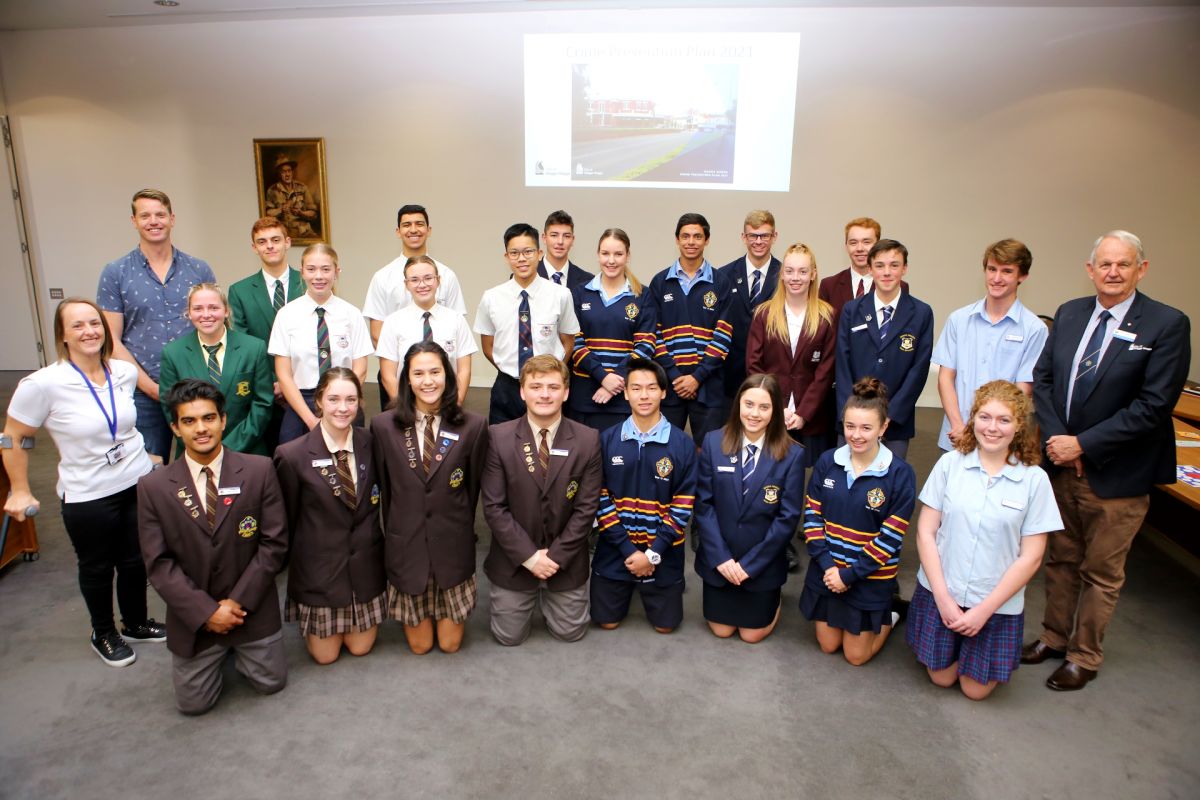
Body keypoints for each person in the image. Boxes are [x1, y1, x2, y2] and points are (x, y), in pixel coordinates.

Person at [1022, 230, 1191, 691]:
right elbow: (1046, 379)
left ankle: (1084, 654)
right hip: (1061, 465)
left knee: (1101, 571)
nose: (1113, 272)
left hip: (1117, 476)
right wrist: (1059, 438)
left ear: (1142, 268)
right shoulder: (1071, 313)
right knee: (1060, 559)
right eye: (1105, 264)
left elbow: (1153, 406)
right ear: (1090, 268)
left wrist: (1085, 445)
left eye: (1124, 264)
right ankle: (1054, 637)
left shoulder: (1166, 324)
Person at [2, 299, 164, 667]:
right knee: (97, 565)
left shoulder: (121, 371)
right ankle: (103, 632)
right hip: (88, 493)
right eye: (78, 325)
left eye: (95, 323)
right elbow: (13, 437)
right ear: (62, 335)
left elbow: (124, 422)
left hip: (136, 481)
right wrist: (20, 487)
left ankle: (136, 622)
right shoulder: (43, 384)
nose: (89, 331)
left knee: (136, 559)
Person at [138, 379, 288, 714]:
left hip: (249, 608)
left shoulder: (259, 470)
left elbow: (273, 544)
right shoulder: (154, 487)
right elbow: (159, 564)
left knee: (272, 684)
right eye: (189, 421)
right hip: (195, 618)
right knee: (193, 705)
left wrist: (235, 603)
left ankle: (242, 646)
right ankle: (217, 645)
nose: (201, 429)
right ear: (175, 428)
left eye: (208, 418)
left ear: (223, 420)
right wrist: (207, 612)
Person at [907, 381, 1062, 700]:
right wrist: (944, 598)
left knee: (974, 690)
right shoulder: (950, 464)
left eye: (1004, 420)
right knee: (942, 678)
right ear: (973, 418)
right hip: (943, 592)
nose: (992, 428)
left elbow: (1031, 557)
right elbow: (925, 532)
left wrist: (984, 610)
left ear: (1019, 425)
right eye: (985, 417)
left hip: (994, 603)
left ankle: (974, 642)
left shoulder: (1035, 480)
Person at [371, 342, 489, 654]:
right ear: (407, 379)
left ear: (448, 376)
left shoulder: (473, 425)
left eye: (435, 372)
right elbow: (384, 487)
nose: (428, 381)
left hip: (452, 542)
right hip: (406, 544)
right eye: (418, 373)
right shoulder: (383, 426)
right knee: (420, 646)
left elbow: (473, 486)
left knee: (450, 645)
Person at [481, 355, 603, 645]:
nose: (545, 394)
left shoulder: (588, 440)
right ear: (522, 392)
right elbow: (494, 507)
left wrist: (555, 558)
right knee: (508, 637)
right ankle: (528, 589)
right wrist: (530, 557)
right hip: (515, 558)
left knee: (570, 633)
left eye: (553, 386)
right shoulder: (498, 437)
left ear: (566, 392)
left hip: (565, 559)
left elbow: (586, 509)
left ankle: (551, 591)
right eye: (536, 387)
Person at [799, 378, 915, 666]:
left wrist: (849, 576)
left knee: (855, 656)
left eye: (866, 428)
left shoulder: (900, 474)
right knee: (828, 646)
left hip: (867, 576)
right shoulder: (828, 461)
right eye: (850, 426)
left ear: (883, 427)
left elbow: (890, 538)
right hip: (828, 571)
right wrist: (829, 568)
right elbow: (812, 518)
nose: (857, 435)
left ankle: (892, 612)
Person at [274, 368, 386, 664]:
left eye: (351, 399)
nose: (343, 407)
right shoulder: (292, 455)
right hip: (320, 571)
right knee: (325, 656)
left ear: (361, 402)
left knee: (361, 648)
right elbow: (288, 517)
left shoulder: (372, 444)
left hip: (364, 565)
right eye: (333, 399)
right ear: (319, 402)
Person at [97, 188, 215, 459]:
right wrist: (151, 387)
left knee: (201, 462)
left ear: (172, 218)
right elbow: (111, 339)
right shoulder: (116, 273)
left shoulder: (198, 269)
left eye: (160, 214)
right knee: (149, 465)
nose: (154, 221)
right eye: (145, 215)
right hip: (140, 389)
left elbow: (212, 325)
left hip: (194, 385)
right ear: (134, 221)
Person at [693, 374, 805, 643]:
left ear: (775, 410)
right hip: (721, 560)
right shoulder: (712, 442)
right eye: (749, 404)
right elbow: (704, 506)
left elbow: (787, 518)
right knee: (722, 630)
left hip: (761, 564)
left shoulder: (793, 454)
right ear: (738, 405)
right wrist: (721, 558)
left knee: (751, 635)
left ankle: (774, 598)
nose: (755, 414)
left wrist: (750, 566)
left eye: (764, 407)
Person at [591, 357, 697, 633]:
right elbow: (599, 498)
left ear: (664, 392)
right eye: (636, 388)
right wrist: (628, 550)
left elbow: (684, 504)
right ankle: (627, 577)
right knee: (606, 622)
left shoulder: (682, 444)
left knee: (666, 627)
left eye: (651, 388)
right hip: (616, 548)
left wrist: (652, 554)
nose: (644, 395)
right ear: (625, 393)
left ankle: (652, 577)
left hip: (664, 549)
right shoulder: (607, 440)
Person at [932, 239, 1048, 451]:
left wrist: (992, 430)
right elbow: (945, 377)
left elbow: (1023, 389)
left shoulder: (1034, 329)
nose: (996, 278)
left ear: (1022, 276)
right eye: (991, 269)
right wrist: (959, 426)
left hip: (1001, 441)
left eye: (1006, 271)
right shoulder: (959, 319)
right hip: (955, 437)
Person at [835, 239, 933, 462]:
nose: (887, 272)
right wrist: (851, 413)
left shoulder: (921, 313)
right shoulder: (852, 310)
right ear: (870, 269)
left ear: (905, 268)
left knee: (887, 489)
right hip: (854, 420)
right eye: (880, 266)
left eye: (894, 265)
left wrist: (890, 415)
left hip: (895, 422)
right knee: (848, 483)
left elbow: (918, 370)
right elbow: (842, 364)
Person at [363, 204, 468, 409]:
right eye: (407, 225)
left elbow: (457, 328)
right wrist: (404, 375)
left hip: (442, 381)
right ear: (398, 231)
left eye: (420, 224)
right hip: (398, 376)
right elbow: (377, 333)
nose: (413, 229)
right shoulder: (382, 277)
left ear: (429, 230)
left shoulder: (447, 274)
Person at [475, 222, 580, 424]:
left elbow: (568, 341)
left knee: (549, 445)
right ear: (506, 257)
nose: (521, 258)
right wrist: (510, 371)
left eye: (528, 252)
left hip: (548, 386)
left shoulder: (560, 295)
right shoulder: (491, 298)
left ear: (539, 253)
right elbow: (488, 347)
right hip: (507, 388)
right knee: (502, 447)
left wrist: (554, 371)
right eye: (514, 253)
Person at [268, 243, 372, 444]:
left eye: (326, 269)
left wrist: (342, 402)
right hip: (302, 403)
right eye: (311, 269)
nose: (319, 276)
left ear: (336, 272)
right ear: (302, 272)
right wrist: (311, 419)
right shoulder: (286, 315)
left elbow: (360, 368)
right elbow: (283, 374)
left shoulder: (351, 314)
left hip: (345, 404)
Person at [746, 242, 837, 461]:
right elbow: (753, 366)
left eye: (803, 271)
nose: (796, 277)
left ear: (813, 274)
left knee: (811, 481)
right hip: (771, 412)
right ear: (782, 275)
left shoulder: (827, 316)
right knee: (770, 478)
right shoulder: (763, 314)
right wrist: (777, 407)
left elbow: (826, 370)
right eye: (790, 271)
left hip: (813, 416)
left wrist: (803, 413)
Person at [158, 283, 273, 456]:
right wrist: (203, 445)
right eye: (198, 308)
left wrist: (230, 447)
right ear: (189, 313)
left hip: (247, 450)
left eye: (213, 307)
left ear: (226, 311)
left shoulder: (253, 348)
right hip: (195, 452)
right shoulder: (173, 353)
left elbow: (263, 403)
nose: (206, 315)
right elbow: (170, 407)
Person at [649, 212, 734, 446]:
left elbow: (723, 336)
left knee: (709, 453)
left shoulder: (721, 282)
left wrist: (697, 377)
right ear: (676, 240)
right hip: (669, 385)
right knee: (665, 451)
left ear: (707, 240)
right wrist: (675, 376)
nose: (691, 242)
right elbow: (652, 335)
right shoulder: (659, 282)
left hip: (709, 386)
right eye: (685, 236)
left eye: (697, 236)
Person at [568, 228, 657, 431]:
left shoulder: (643, 295)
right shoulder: (580, 293)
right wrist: (602, 376)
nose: (611, 260)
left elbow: (646, 345)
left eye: (618, 254)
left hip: (624, 398)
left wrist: (614, 380)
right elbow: (574, 342)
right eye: (605, 253)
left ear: (628, 256)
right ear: (598, 254)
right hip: (584, 396)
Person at [228, 218, 306, 451]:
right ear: (254, 247)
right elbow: (242, 343)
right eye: (262, 242)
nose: (269, 246)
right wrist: (274, 380)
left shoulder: (308, 283)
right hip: (263, 388)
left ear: (287, 242)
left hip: (305, 384)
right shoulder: (239, 291)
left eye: (275, 240)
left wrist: (288, 381)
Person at [376, 255, 475, 405]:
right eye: (414, 280)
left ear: (438, 280)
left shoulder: (456, 320)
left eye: (428, 278)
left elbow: (464, 370)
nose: (422, 285)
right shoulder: (393, 322)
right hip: (407, 404)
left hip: (448, 403)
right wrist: (404, 408)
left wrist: (456, 403)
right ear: (406, 284)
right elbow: (388, 375)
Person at [718, 210, 781, 401]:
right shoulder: (724, 275)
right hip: (729, 376)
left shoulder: (786, 276)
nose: (759, 241)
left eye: (764, 236)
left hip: (770, 373)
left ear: (774, 237)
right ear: (743, 237)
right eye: (753, 236)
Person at [264, 153, 319, 240]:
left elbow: (313, 214)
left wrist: (301, 213)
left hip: (303, 231)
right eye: (283, 171)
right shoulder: (272, 190)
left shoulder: (302, 187)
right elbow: (267, 214)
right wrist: (280, 210)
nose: (287, 174)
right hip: (283, 233)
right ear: (278, 174)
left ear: (292, 172)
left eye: (289, 171)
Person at [537, 209, 594, 289]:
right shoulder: (526, 276)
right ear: (544, 238)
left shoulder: (588, 281)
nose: (560, 241)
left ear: (573, 240)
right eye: (554, 235)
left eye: (566, 236)